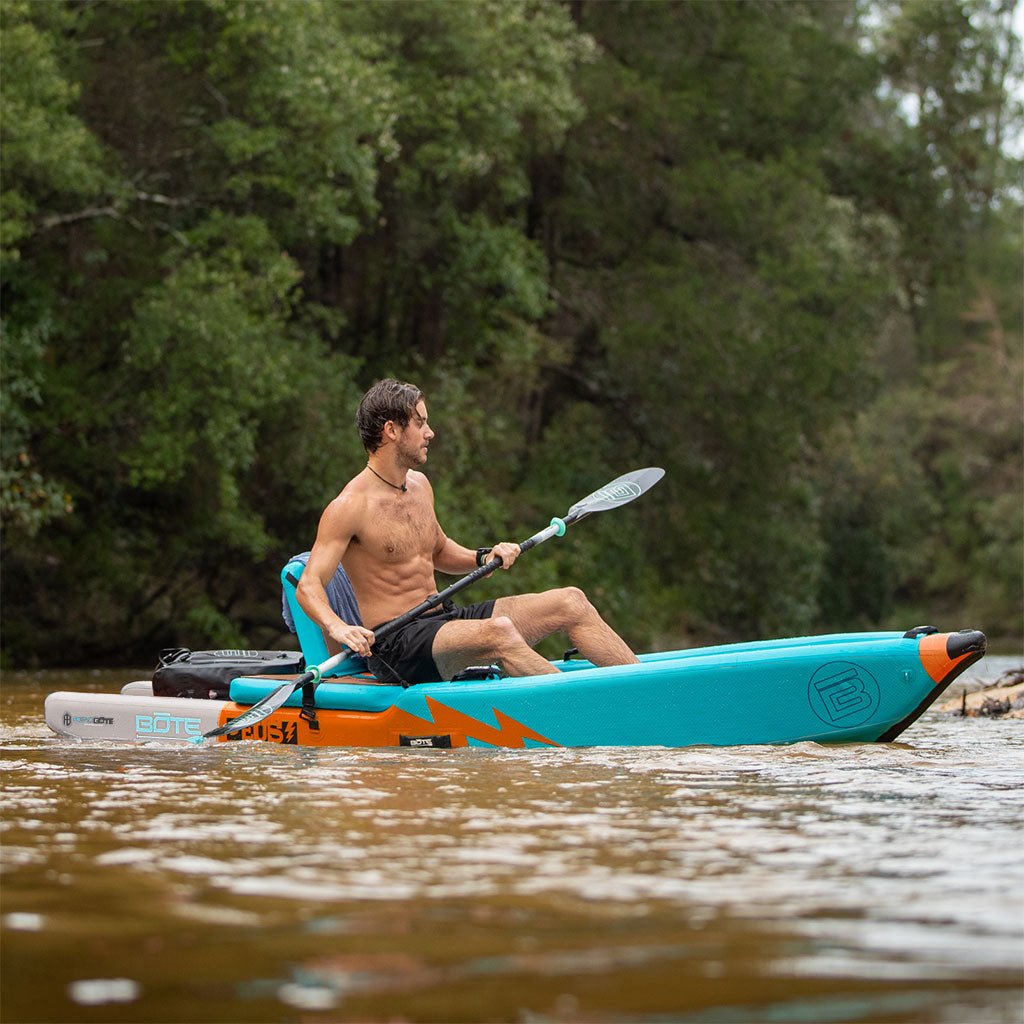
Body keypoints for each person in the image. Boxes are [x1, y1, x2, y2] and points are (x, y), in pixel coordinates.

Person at [296, 378, 639, 684]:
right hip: (396, 645)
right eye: (421, 423)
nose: (430, 433)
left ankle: (645, 691)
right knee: (500, 632)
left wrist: (483, 555)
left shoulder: (419, 486)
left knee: (571, 601)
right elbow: (309, 586)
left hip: (443, 619)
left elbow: (440, 550)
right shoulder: (350, 506)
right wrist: (337, 627)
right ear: (392, 430)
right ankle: (585, 712)